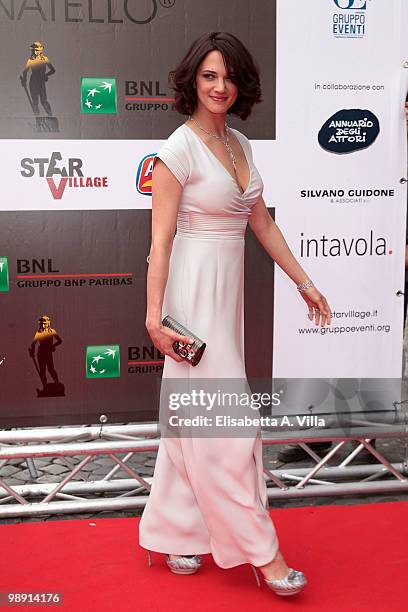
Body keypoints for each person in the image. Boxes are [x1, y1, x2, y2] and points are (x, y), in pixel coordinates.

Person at [138, 32, 331, 597]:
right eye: (209, 76)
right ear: (192, 82)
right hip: (192, 299)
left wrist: (305, 282)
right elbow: (161, 238)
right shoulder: (178, 148)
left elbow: (263, 225)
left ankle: (176, 532)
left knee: (194, 419)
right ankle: (263, 554)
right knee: (225, 424)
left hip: (226, 299)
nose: (220, 87)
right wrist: (155, 317)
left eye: (229, 77)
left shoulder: (240, 145)